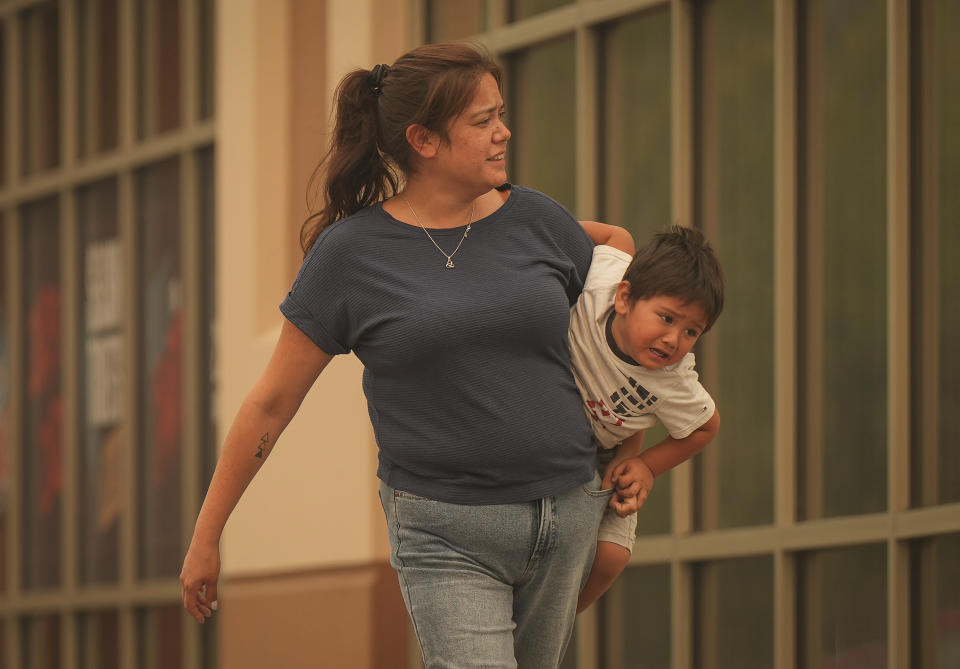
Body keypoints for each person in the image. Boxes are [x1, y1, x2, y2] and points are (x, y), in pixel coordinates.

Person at [180, 42, 615, 668]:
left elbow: (614, 342)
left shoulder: (539, 221)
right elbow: (271, 402)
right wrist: (207, 535)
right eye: (484, 119)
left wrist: (638, 458)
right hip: (446, 532)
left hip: (566, 516)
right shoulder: (351, 256)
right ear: (424, 139)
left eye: (501, 113)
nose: (504, 132)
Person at [570, 224, 725, 612]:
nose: (674, 339)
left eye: (692, 331)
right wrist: (529, 218)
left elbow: (707, 426)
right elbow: (616, 237)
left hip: (605, 454)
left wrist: (645, 466)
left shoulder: (672, 380)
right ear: (625, 298)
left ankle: (562, 616)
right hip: (550, 426)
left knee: (612, 556)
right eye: (667, 318)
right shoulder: (598, 291)